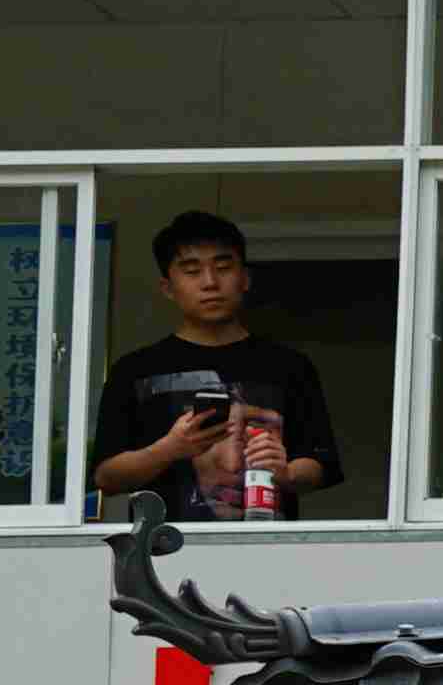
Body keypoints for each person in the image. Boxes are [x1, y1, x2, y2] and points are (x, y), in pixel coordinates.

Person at [90, 208, 341, 520]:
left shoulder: (289, 366)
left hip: (267, 543)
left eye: (223, 267)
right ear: (167, 287)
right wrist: (170, 448)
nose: (210, 282)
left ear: (245, 279)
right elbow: (106, 477)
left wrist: (286, 473)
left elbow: (320, 464)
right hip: (163, 545)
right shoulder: (134, 370)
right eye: (192, 271)